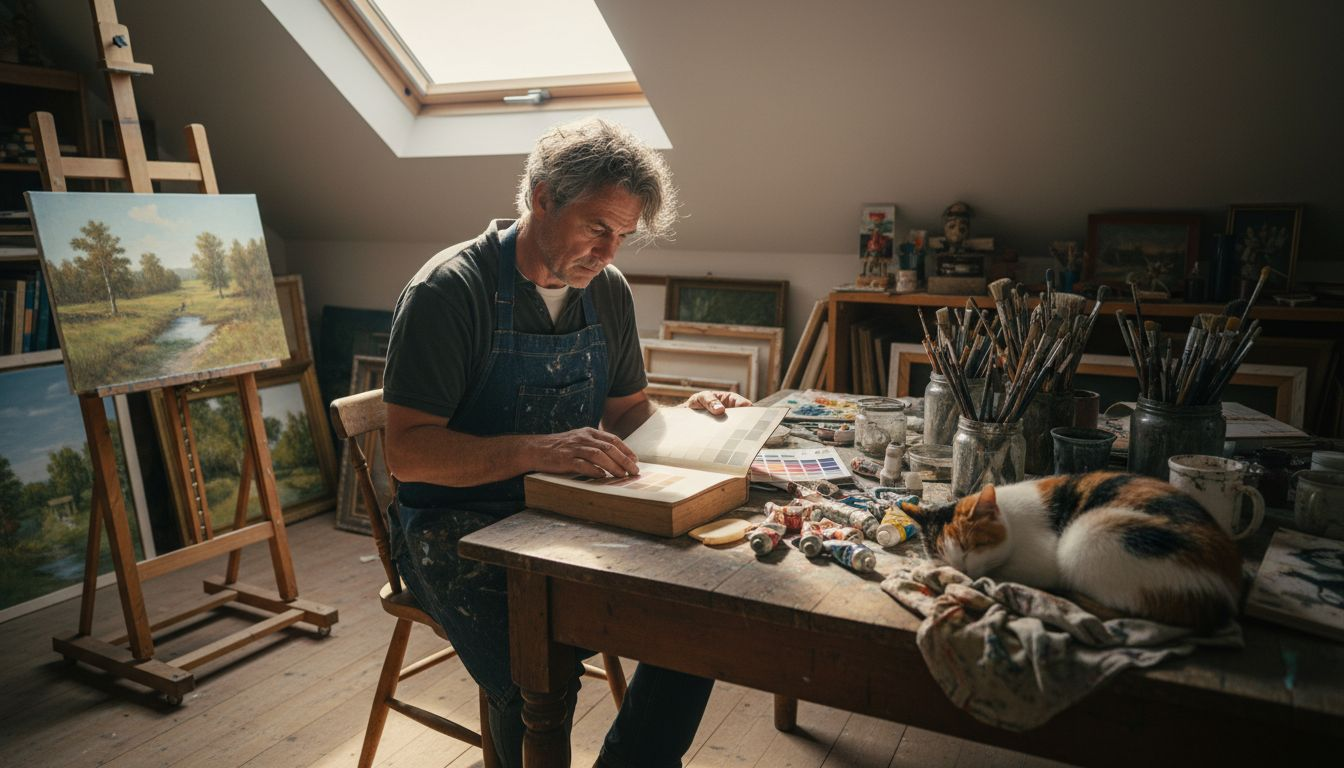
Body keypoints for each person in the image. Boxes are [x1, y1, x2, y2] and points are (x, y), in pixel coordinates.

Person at [381, 117, 749, 768]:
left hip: (562, 510)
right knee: (537, 675)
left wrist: (689, 418)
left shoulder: (604, 290)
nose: (609, 253)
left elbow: (630, 412)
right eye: (598, 228)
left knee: (702, 624)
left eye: (623, 237)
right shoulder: (450, 291)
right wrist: (535, 450)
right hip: (451, 523)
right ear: (544, 197)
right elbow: (408, 452)